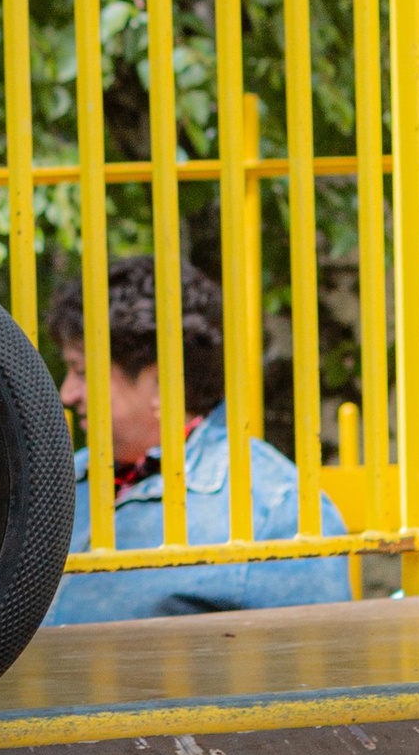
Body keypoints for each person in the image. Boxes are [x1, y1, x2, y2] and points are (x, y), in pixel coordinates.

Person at [39, 255, 352, 620]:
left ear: (161, 379)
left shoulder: (273, 508)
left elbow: (317, 666)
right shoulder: (52, 487)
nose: (67, 393)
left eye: (82, 371)